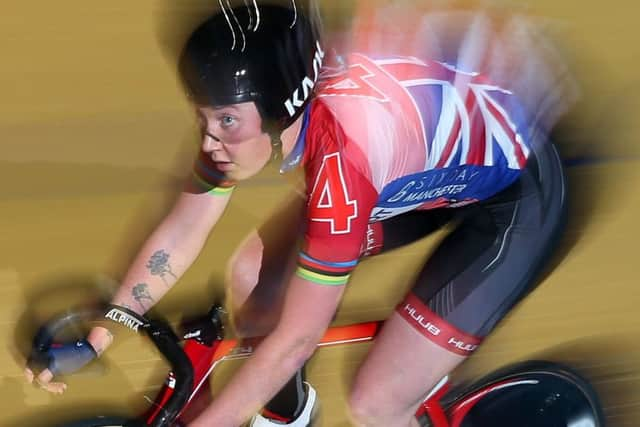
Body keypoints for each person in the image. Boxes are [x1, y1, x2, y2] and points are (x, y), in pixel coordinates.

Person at [25, 2, 572, 426]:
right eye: (202, 117)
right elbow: (185, 226)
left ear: (280, 108)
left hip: (514, 202)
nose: (210, 138)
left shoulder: (342, 168)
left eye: (225, 121)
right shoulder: (258, 114)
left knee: (377, 401)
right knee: (250, 280)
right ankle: (289, 415)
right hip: (415, 178)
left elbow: (295, 342)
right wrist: (102, 333)